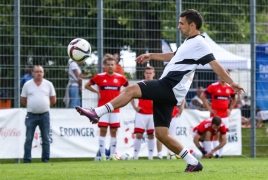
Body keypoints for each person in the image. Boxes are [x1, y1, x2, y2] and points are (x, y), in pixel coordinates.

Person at [75, 9, 244, 172]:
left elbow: (214, 64)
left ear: (192, 25)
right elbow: (174, 56)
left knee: (132, 89)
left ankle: (97, 112)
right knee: (162, 134)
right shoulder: (190, 42)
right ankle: (193, 162)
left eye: (181, 23)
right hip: (171, 91)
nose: (179, 26)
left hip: (169, 86)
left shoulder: (200, 43)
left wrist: (232, 83)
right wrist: (151, 55)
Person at [84, 55, 129, 161]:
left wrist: (121, 95)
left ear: (115, 66)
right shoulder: (99, 77)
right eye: (108, 65)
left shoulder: (120, 78)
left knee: (114, 131)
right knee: (103, 130)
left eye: (112, 65)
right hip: (102, 109)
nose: (110, 67)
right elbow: (87, 85)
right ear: (104, 66)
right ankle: (103, 155)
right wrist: (97, 92)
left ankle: (112, 155)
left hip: (115, 109)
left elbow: (129, 88)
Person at [21, 65, 56, 163]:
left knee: (45, 138)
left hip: (44, 115)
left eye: (41, 71)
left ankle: (45, 159)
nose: (39, 73)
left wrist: (43, 106)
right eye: (36, 71)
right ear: (32, 73)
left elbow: (53, 99)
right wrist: (33, 107)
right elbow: (23, 100)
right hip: (31, 115)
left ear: (43, 73)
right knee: (29, 139)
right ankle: (27, 160)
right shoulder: (27, 84)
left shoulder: (49, 84)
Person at [200, 72, 236, 158]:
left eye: (225, 76)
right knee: (215, 134)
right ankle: (214, 153)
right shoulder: (213, 86)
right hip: (215, 115)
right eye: (222, 75)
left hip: (224, 116)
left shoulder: (229, 88)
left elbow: (234, 99)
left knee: (223, 135)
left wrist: (230, 109)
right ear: (219, 76)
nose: (223, 78)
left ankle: (219, 154)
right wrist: (209, 108)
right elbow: (202, 96)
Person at [130, 66, 155, 160]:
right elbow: (131, 95)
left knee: (151, 135)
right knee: (139, 134)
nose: (148, 75)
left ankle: (151, 156)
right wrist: (135, 107)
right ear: (144, 74)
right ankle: (135, 156)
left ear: (153, 74)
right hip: (141, 113)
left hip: (152, 114)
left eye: (150, 73)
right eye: (147, 73)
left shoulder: (157, 85)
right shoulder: (140, 84)